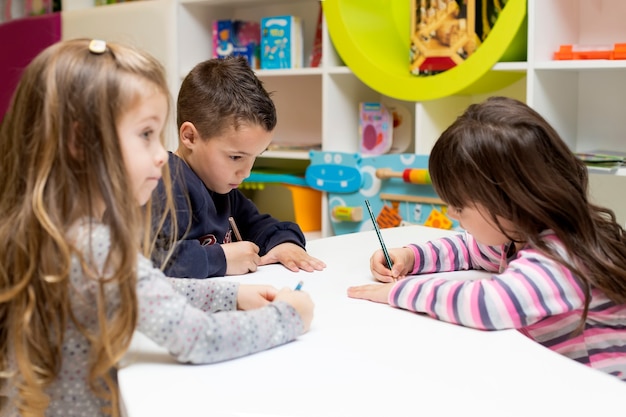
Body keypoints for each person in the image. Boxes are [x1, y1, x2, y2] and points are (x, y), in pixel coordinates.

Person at [0, 39, 314, 417]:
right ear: (81, 142)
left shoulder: (57, 229)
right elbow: (199, 339)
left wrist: (229, 296)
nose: (158, 155)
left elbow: (143, 288)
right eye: (146, 134)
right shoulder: (92, 245)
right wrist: (290, 316)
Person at [347, 96, 626, 381]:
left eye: (459, 205)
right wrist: (411, 257)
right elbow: (468, 248)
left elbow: (488, 305)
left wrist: (398, 292)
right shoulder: (517, 234)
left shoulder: (561, 257)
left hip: (599, 393)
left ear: (508, 201)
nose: (452, 213)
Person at [151, 56, 326, 278]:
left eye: (255, 157)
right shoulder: (163, 184)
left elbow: (261, 225)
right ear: (190, 137)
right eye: (235, 157)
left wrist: (284, 244)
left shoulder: (221, 187)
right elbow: (148, 260)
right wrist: (221, 259)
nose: (246, 172)